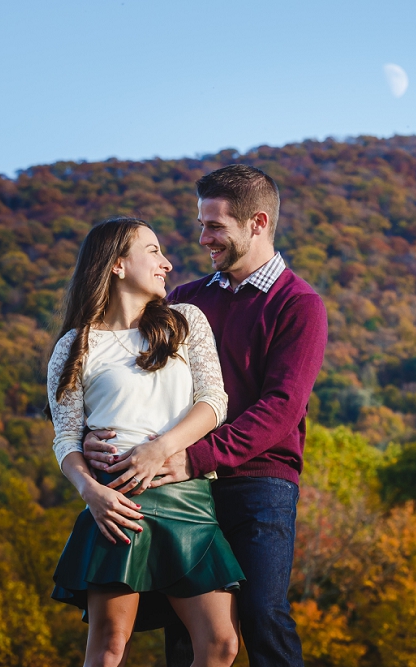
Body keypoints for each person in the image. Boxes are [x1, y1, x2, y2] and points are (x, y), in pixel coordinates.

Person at [84, 165, 329, 667]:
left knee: (264, 614)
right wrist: (91, 439)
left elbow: (281, 410)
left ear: (257, 223)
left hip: (258, 482)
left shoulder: (298, 305)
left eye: (215, 226)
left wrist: (193, 456)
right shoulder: (183, 302)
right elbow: (130, 379)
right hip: (182, 485)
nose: (202, 238)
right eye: (201, 224)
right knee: (186, 631)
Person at [47, 217, 244, 667]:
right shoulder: (76, 344)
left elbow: (215, 402)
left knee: (220, 644)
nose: (167, 264)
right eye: (153, 251)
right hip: (119, 505)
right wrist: (91, 492)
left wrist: (162, 449)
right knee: (110, 647)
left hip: (186, 499)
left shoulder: (185, 321)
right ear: (117, 265)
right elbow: (67, 438)